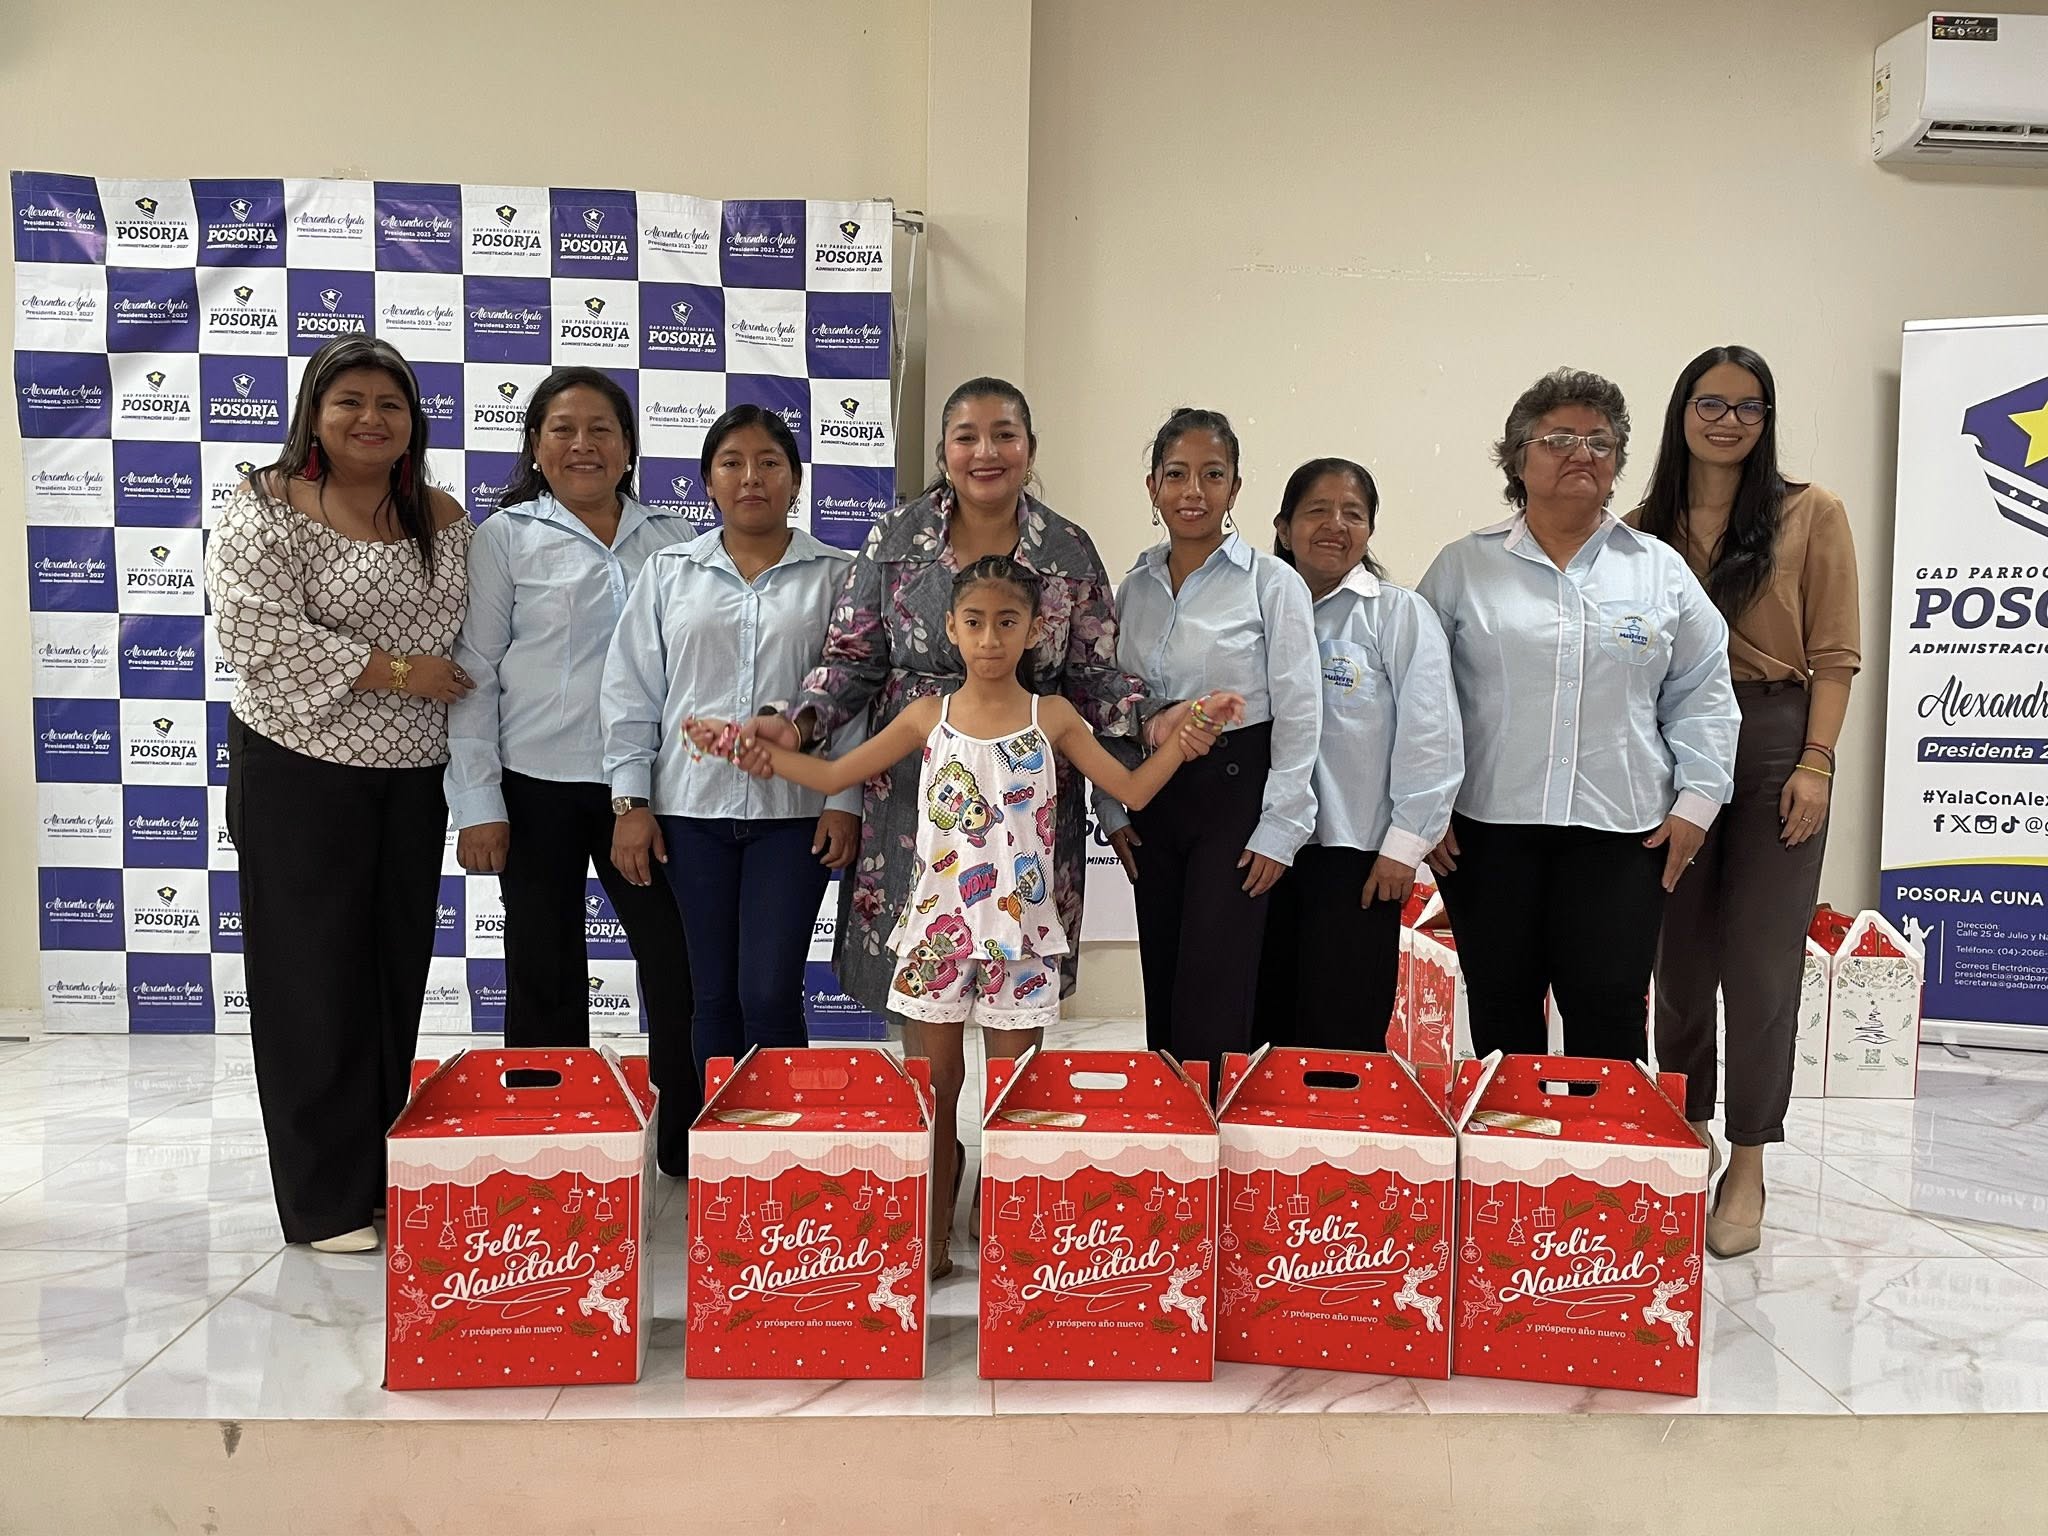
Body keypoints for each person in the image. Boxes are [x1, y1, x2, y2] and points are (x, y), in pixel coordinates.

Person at [690, 554, 1240, 1276]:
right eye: (975, 623)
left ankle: (1013, 1250)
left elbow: (1132, 790)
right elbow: (832, 773)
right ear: (951, 627)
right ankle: (933, 1242)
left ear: (1035, 630)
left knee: (1013, 1104)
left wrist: (1184, 740)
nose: (989, 639)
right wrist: (755, 755)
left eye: (1007, 623)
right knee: (936, 1093)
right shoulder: (928, 715)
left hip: (1022, 939)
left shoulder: (1054, 717)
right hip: (935, 935)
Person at [736, 378, 1167, 1105]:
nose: (985, 451)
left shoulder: (1067, 549)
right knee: (924, 1005)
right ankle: (940, 1152)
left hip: (1025, 804)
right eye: (967, 437)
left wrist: (1155, 722)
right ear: (944, 451)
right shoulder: (896, 537)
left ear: (1030, 449)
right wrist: (800, 722)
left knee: (1015, 1007)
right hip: (915, 793)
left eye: (1004, 435)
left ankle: (1008, 1156)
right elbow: (851, 659)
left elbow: (1093, 675)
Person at [205, 335, 473, 1253]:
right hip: (299, 770)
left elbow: (467, 640)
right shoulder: (265, 504)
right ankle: (322, 1201)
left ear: (413, 422)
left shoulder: (441, 515)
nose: (370, 418)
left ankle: (376, 1177)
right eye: (349, 401)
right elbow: (255, 634)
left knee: (391, 980)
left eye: (390, 404)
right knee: (309, 981)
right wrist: (396, 669)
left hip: (412, 779)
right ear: (314, 414)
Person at [1418, 368, 1739, 1064]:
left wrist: (1697, 805)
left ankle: (1604, 1140)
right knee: (1502, 1007)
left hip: (1623, 834)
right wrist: (1424, 808)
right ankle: (1513, 1137)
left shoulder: (1658, 571)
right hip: (1486, 830)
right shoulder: (1462, 568)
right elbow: (1422, 699)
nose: (1581, 454)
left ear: (1617, 463)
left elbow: (1704, 693)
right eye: (1559, 439)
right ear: (1518, 459)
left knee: (1609, 1009)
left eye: (1600, 442)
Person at [1630, 345, 1861, 1258]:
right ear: (1681, 410)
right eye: (1710, 403)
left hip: (1773, 740)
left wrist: (1817, 763)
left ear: (1767, 418)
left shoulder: (1811, 512)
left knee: (1762, 965)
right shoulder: (1641, 529)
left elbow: (1835, 655)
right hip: (1671, 747)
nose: (1728, 421)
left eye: (1749, 406)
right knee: (1678, 960)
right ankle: (1690, 1133)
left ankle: (1751, 1161)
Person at [446, 367, 697, 1174]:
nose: (582, 445)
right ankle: (546, 1142)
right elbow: (475, 670)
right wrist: (478, 801)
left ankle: (686, 1142)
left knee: (676, 962)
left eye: (601, 430)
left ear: (628, 447)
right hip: (535, 785)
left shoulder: (673, 540)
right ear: (535, 445)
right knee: (543, 966)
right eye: (563, 429)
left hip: (650, 790)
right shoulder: (505, 536)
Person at [601, 405, 860, 1130]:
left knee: (769, 992)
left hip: (795, 816)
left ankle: (779, 1152)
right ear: (708, 481)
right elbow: (631, 691)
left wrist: (845, 800)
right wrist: (630, 801)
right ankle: (718, 1154)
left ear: (795, 481)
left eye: (770, 463)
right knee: (709, 994)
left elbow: (854, 696)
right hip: (689, 813)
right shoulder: (669, 572)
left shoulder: (837, 576)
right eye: (732, 463)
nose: (752, 478)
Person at [1097, 407, 1321, 1077]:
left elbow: (1300, 710)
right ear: (1152, 487)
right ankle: (1173, 1122)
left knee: (1215, 980)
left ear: (1235, 488)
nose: (1193, 491)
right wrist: (1113, 809)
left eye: (1212, 475)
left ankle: (1215, 1124)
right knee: (1164, 970)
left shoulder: (1271, 582)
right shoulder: (1133, 588)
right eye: (1176, 475)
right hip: (1153, 795)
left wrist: (1280, 827)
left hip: (1236, 793)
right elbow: (1111, 703)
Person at [1255, 458, 1463, 1048]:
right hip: (1258, 851)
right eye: (1317, 510)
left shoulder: (1397, 614)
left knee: (1341, 1032)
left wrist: (1404, 848)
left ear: (1370, 530)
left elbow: (1432, 733)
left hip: (1355, 857)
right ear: (1284, 526)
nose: (1335, 525)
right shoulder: (1252, 610)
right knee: (1261, 1029)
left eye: (1353, 514)